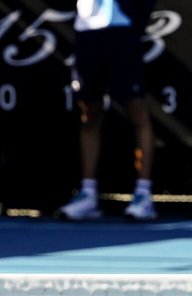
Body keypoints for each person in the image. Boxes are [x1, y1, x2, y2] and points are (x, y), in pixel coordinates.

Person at [58, 0, 158, 221]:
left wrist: (135, 21)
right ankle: (88, 195)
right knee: (89, 114)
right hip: (87, 31)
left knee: (137, 110)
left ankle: (143, 195)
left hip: (122, 31)